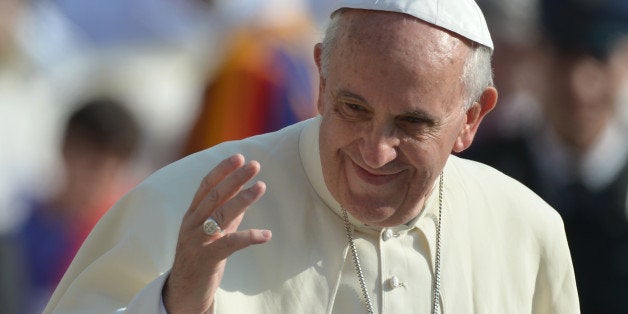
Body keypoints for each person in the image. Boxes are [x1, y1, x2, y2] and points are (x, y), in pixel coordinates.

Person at [45, 0, 579, 313]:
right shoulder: (181, 204)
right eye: (353, 108)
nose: (375, 150)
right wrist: (173, 303)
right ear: (321, 81)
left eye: (412, 123)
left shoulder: (527, 232)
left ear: (472, 118)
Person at [460, 0, 628, 313]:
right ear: (538, 58)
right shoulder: (484, 172)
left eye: (600, 60)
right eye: (564, 59)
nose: (580, 84)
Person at [14, 97, 141, 313]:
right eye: (94, 164)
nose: (102, 178)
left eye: (115, 168)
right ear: (66, 150)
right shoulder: (22, 228)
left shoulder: (129, 237)